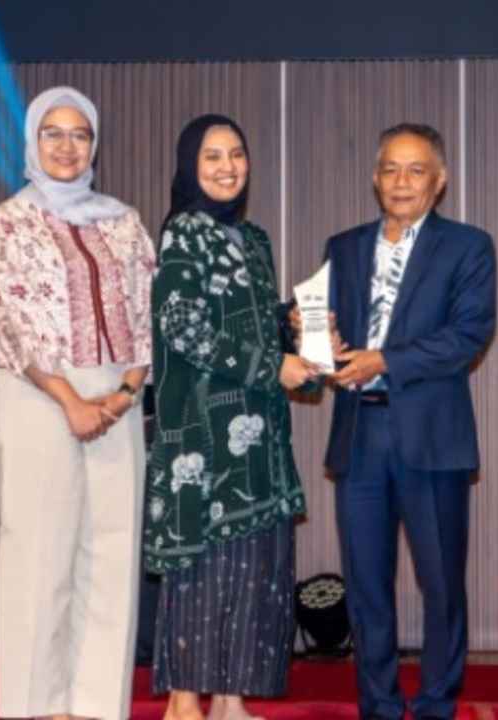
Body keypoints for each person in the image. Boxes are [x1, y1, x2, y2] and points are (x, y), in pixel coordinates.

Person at [0, 86, 154, 720]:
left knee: (111, 551)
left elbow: (147, 314)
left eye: (79, 134)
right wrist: (70, 401)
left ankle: (96, 705)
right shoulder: (11, 219)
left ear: (94, 145)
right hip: (37, 393)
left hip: (118, 396)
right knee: (39, 552)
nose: (66, 145)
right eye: (52, 132)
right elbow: (10, 319)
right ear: (33, 142)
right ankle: (38, 706)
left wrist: (126, 391)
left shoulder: (124, 221)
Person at [322, 123, 496, 720]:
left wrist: (384, 361)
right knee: (366, 585)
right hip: (359, 435)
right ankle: (379, 704)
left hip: (433, 438)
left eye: (416, 170)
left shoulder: (468, 246)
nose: (401, 181)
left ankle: (437, 704)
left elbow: (467, 336)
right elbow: (326, 328)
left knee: (441, 584)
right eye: (390, 169)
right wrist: (316, 338)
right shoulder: (343, 247)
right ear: (375, 178)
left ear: (439, 181)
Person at [146, 114, 314, 720]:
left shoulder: (255, 239)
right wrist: (273, 365)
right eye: (212, 156)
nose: (227, 167)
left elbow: (247, 322)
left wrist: (293, 324)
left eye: (236, 154)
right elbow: (183, 327)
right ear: (190, 166)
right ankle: (184, 704)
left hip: (256, 435)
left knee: (251, 567)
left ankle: (230, 701)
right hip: (202, 435)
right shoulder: (183, 233)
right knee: (202, 566)